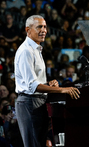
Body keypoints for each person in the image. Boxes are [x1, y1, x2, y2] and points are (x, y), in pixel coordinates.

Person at [14, 15, 80, 147]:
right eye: (39, 27)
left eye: (45, 27)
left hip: (37, 102)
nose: (44, 30)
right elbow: (32, 86)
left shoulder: (36, 49)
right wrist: (62, 89)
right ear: (28, 30)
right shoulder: (26, 51)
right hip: (30, 103)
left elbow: (34, 81)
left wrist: (47, 84)